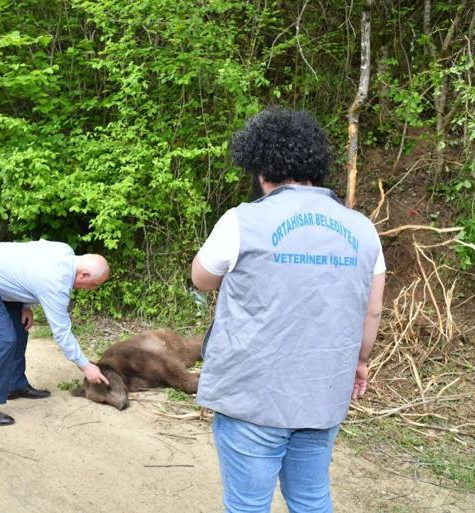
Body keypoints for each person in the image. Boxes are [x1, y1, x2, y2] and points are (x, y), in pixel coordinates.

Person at [191, 107, 385, 513]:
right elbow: (372, 311)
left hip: (252, 396)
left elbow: (202, 278)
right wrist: (361, 362)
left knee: (248, 505)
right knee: (312, 499)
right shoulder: (362, 228)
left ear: (261, 170)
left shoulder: (242, 220)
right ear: (315, 166)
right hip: (322, 393)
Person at [0, 240, 111, 426]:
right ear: (84, 275)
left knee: (19, 329)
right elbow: (62, 333)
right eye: (93, 284)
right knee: (3, 340)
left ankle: (15, 385)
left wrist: (25, 305)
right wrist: (86, 367)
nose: (91, 289)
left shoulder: (64, 251)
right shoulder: (56, 283)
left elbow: (27, 264)